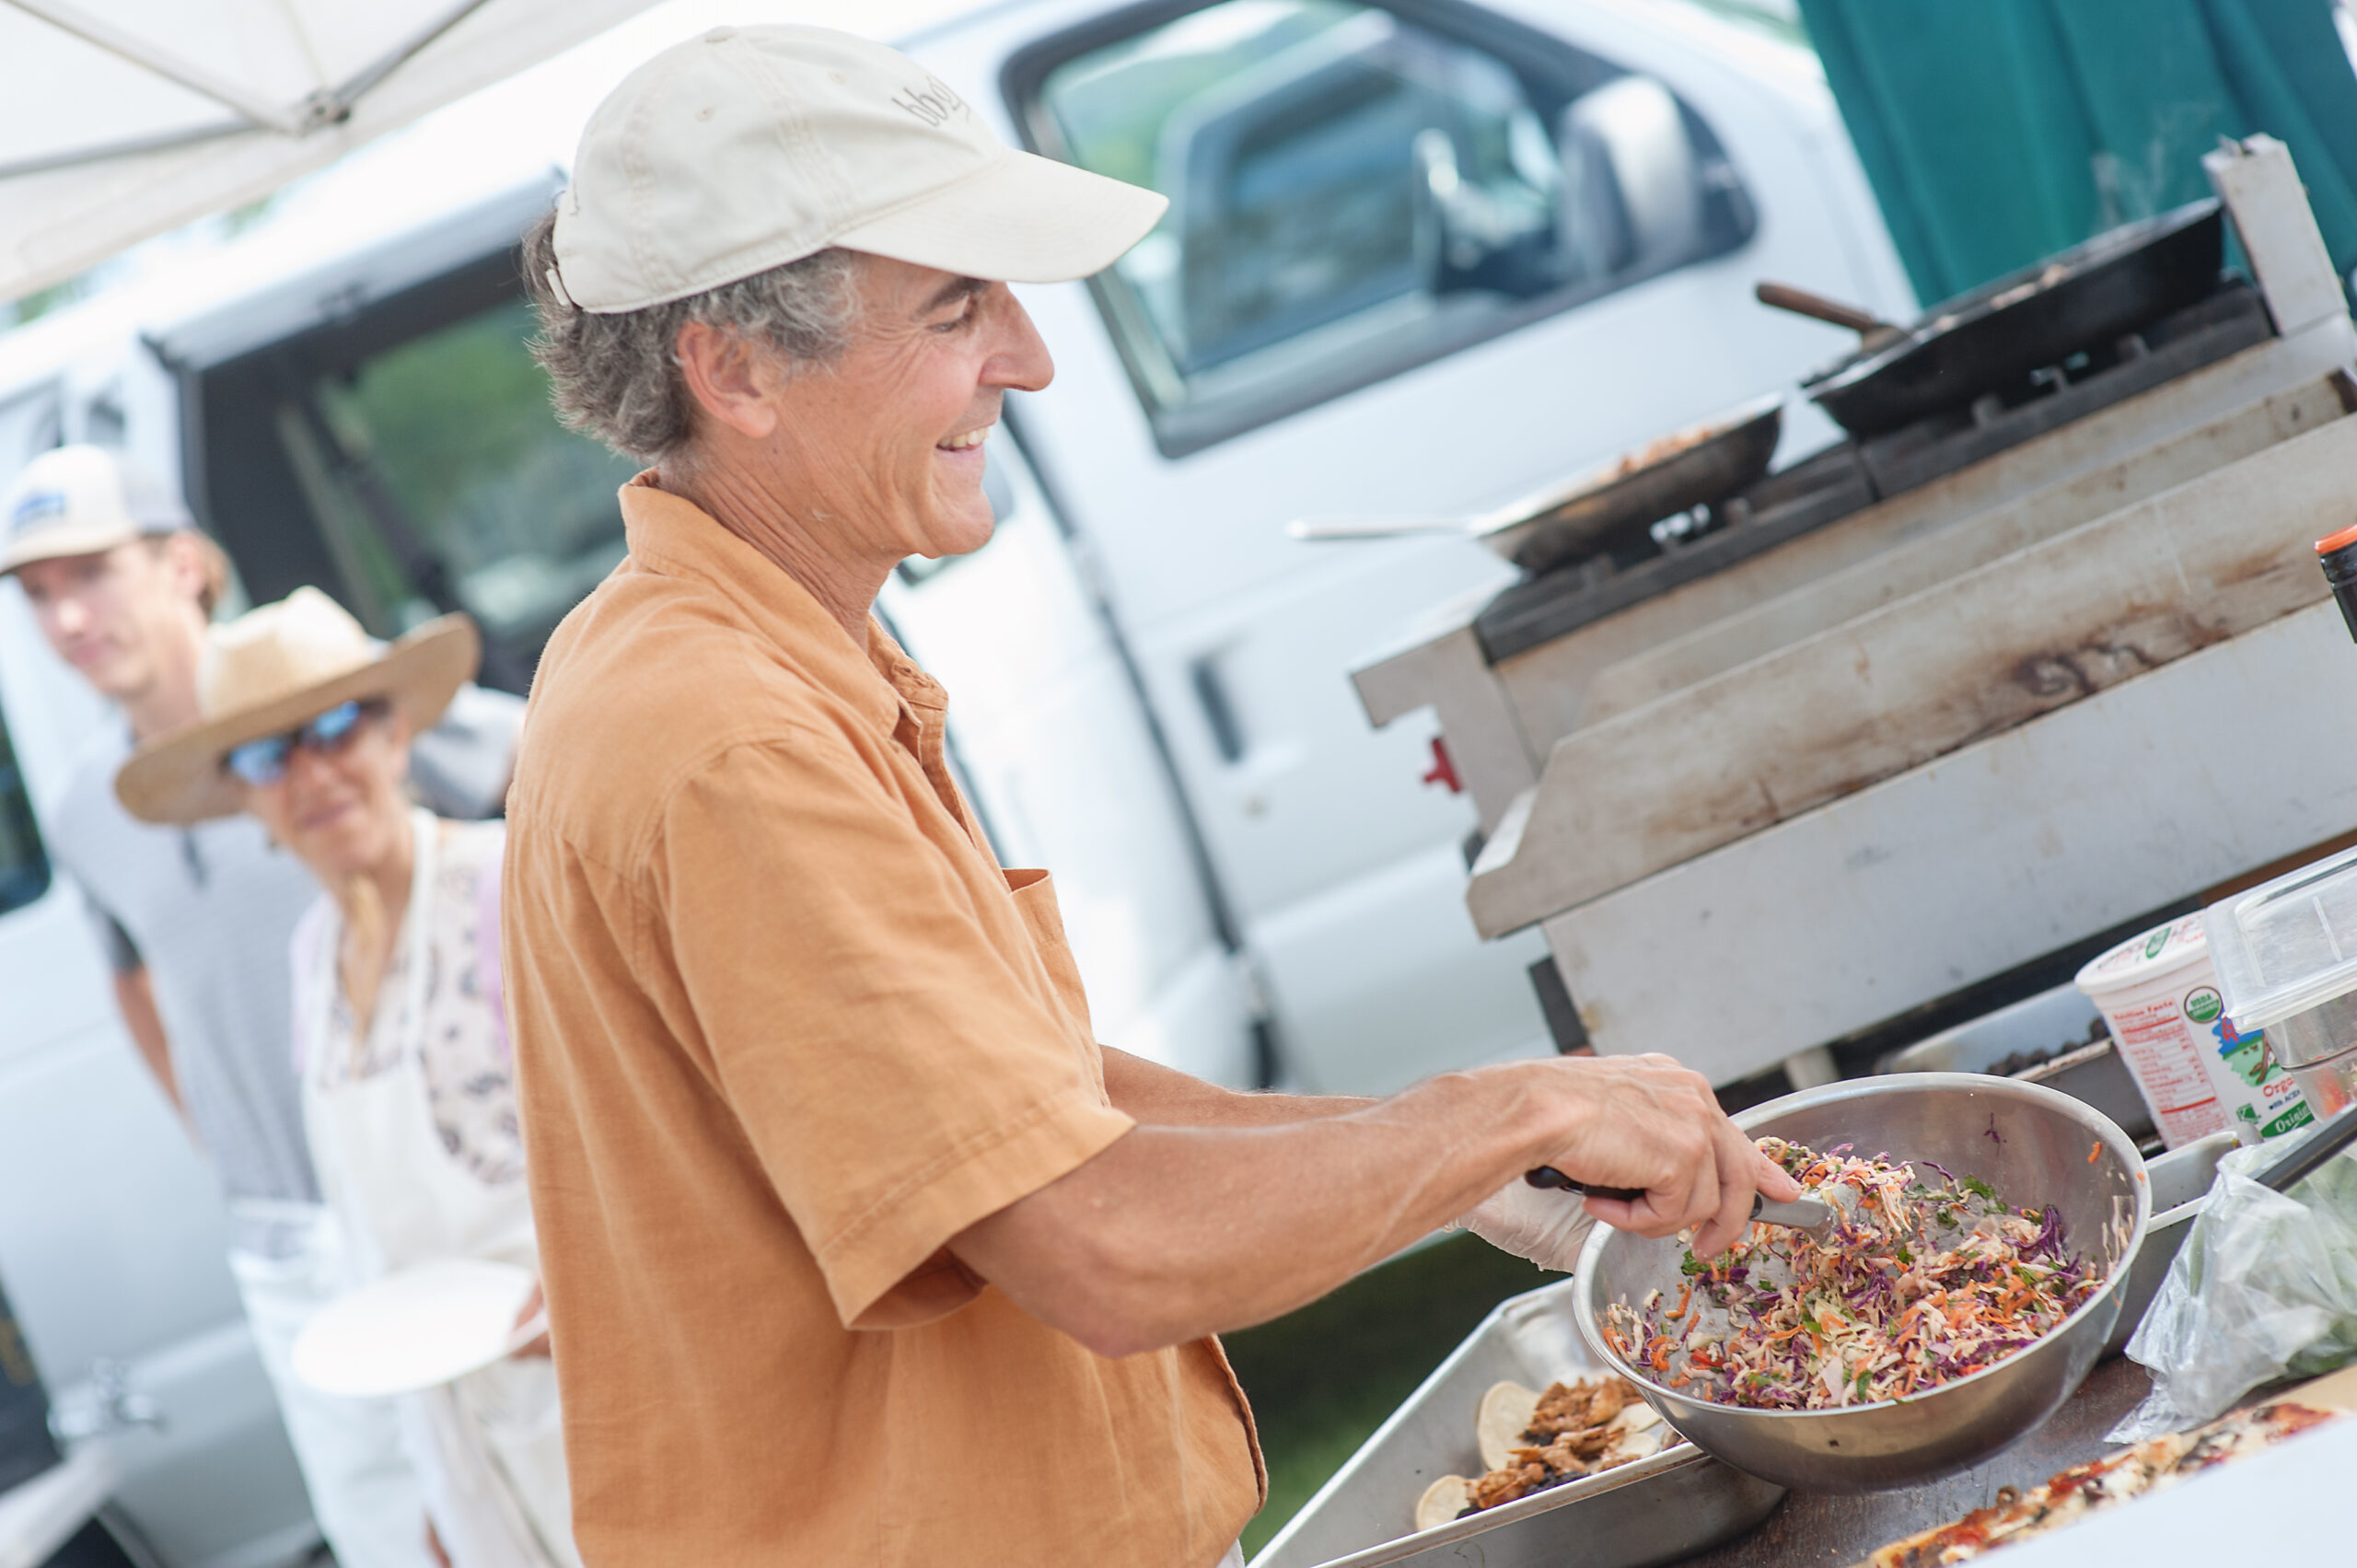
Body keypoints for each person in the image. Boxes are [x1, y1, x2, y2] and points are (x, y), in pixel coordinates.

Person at [502, 26, 1802, 1568]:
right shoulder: (724, 733)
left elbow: (1031, 1107)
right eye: (953, 304)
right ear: (733, 370)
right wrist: (1505, 1108)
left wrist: (1457, 1162)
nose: (1029, 358)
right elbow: (1096, 1242)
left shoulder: (733, 660)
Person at [0, 445, 523, 1568]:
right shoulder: (89, 809)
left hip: (453, 1196)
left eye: (91, 574)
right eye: (40, 596)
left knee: (536, 1488)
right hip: (286, 1237)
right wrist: (224, 1141)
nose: (68, 618)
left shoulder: (331, 697)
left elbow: (539, 773)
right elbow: (135, 977)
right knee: (393, 1536)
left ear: (183, 564)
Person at [117, 587, 579, 1568]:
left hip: (607, 1394)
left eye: (334, 727)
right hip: (473, 1450)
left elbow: (667, 1125)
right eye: (266, 754)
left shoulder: (508, 888)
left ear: (396, 732)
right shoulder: (311, 961)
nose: (312, 772)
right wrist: (441, 1504)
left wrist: (590, 1286)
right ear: (243, 799)